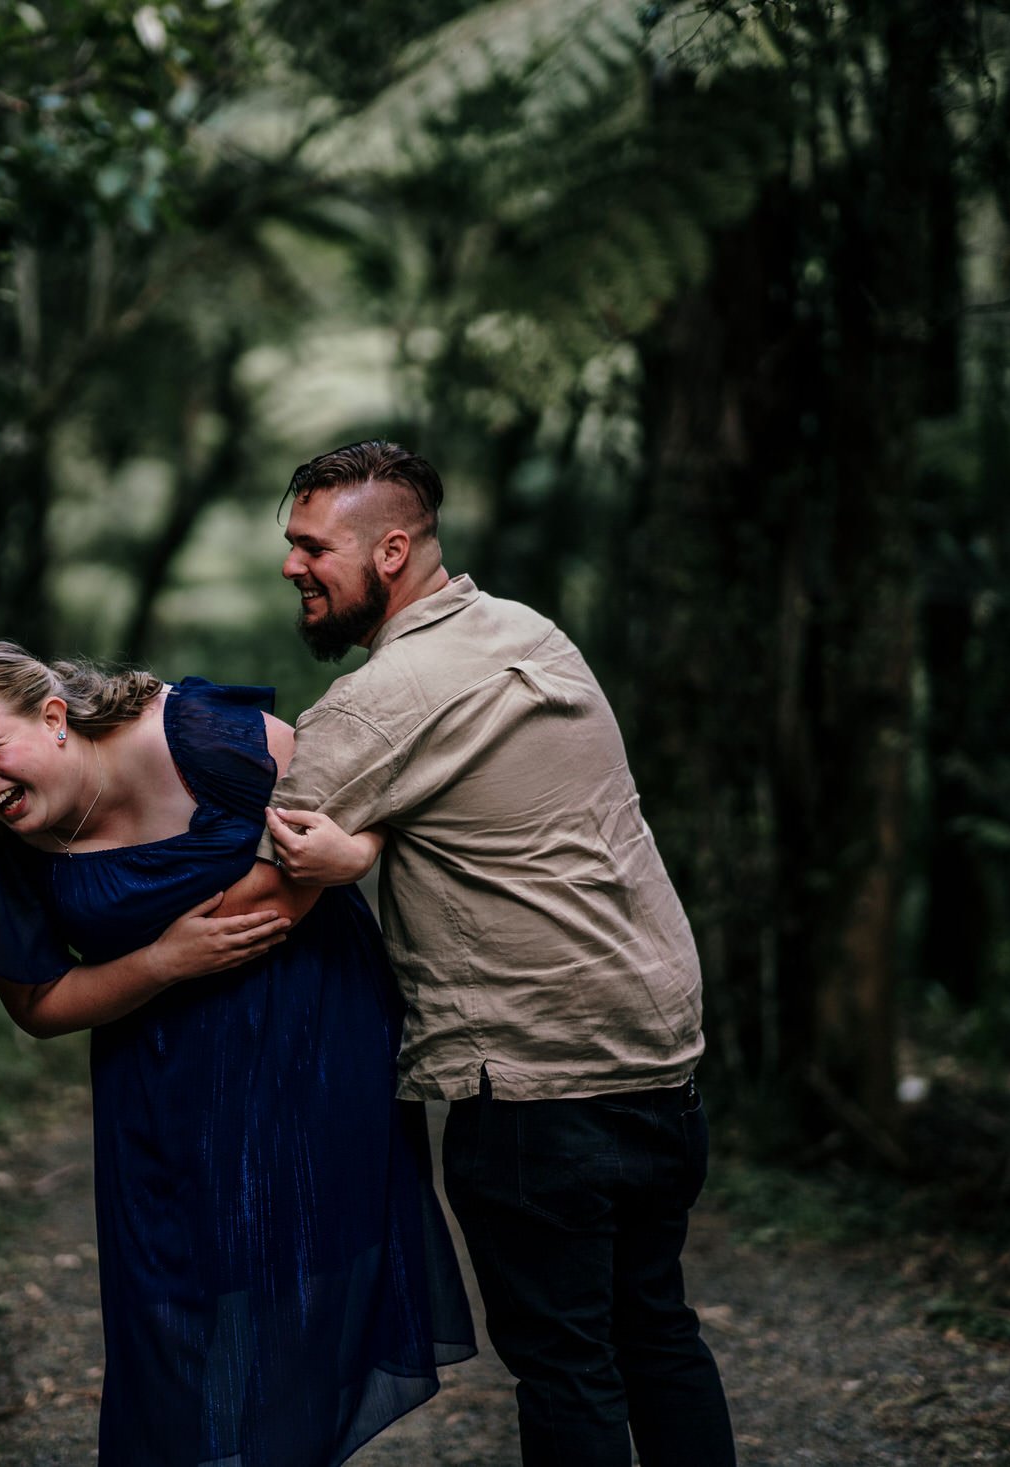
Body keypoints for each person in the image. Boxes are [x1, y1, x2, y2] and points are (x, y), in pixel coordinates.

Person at [253, 441, 737, 1467]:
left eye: (309, 547)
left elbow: (266, 868)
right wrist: (376, 837)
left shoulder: (382, 700)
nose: (290, 565)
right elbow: (469, 788)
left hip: (534, 1082)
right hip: (656, 1058)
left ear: (389, 551)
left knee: (566, 1367)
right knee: (654, 1329)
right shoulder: (528, 633)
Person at [0, 641, 475, 1467]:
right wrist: (159, 961)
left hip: (313, 1038)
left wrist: (344, 861)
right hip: (158, 1084)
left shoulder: (196, 734)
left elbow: (341, 812)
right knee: (170, 1307)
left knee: (299, 1283)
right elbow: (37, 1005)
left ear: (54, 716)